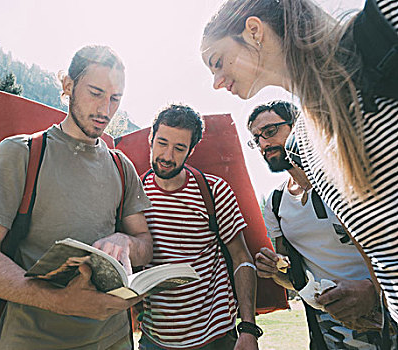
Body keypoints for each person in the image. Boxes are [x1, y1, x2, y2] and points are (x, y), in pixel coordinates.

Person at [200, 0, 398, 326]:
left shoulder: (380, 29)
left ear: (253, 31)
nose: (217, 81)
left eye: (218, 61)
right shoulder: (304, 144)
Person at [0, 45, 153, 350]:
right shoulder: (20, 153)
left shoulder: (122, 167)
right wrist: (60, 301)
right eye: (95, 92)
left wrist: (125, 242)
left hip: (114, 340)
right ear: (68, 85)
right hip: (33, 340)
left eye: (115, 98)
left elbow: (146, 245)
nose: (105, 109)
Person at [249, 100, 385, 349]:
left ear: (300, 127)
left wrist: (374, 293)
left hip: (385, 310)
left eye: (270, 132)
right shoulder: (276, 203)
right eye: (256, 139)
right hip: (331, 326)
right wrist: (273, 270)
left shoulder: (348, 175)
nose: (263, 144)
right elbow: (292, 277)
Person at [138, 104, 260, 350]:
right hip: (155, 339)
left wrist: (248, 328)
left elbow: (241, 258)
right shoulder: (134, 193)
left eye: (179, 148)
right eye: (162, 143)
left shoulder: (214, 191)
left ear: (191, 150)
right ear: (150, 139)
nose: (167, 156)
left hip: (216, 336)